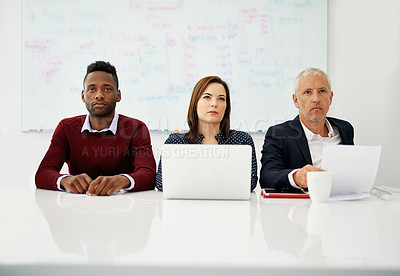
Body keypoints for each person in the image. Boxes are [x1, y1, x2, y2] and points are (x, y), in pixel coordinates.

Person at [35, 61, 156, 196]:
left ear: (118, 95)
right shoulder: (66, 128)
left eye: (107, 89)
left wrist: (122, 180)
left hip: (123, 204)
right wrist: (65, 180)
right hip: (79, 205)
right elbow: (43, 173)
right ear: (83, 96)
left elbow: (149, 175)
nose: (99, 95)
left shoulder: (137, 128)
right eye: (92, 89)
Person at [155, 76, 258, 191]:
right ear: (195, 103)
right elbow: (161, 183)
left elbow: (250, 183)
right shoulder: (176, 141)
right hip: (185, 205)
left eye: (221, 99)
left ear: (226, 107)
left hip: (230, 205)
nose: (214, 104)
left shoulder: (242, 140)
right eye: (207, 97)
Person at [260, 68, 354, 192]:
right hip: (302, 207)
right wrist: (296, 177)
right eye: (308, 92)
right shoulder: (278, 134)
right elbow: (267, 177)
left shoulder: (345, 129)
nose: (316, 98)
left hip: (342, 203)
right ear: (296, 100)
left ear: (330, 98)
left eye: (322, 91)